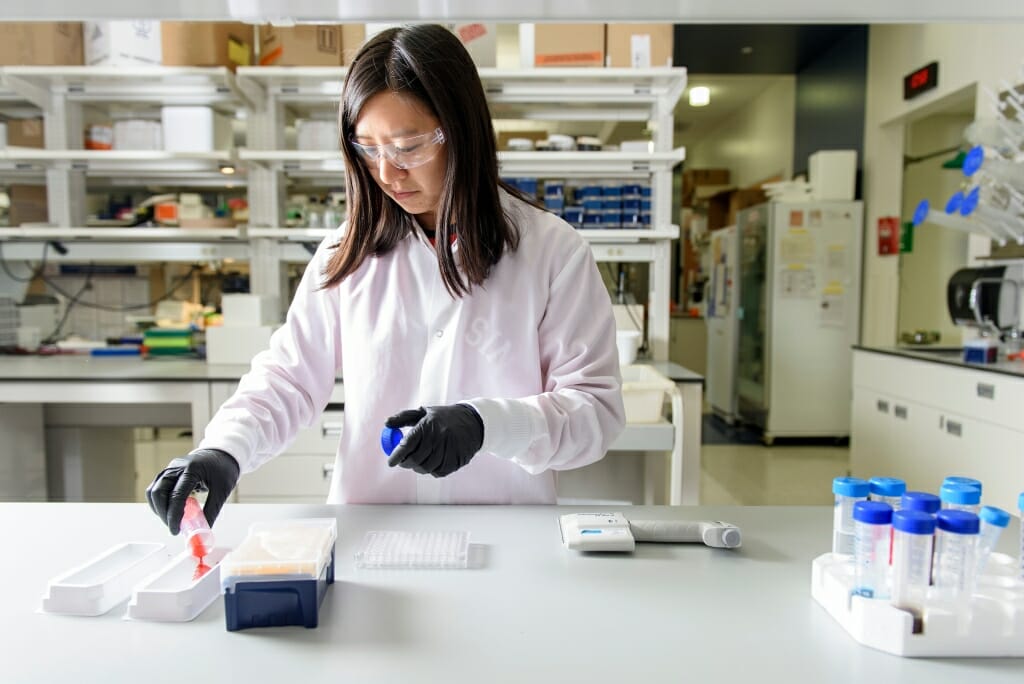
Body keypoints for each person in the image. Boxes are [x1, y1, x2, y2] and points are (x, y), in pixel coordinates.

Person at [146, 24, 625, 535]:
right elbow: (287, 379)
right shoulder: (345, 253)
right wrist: (224, 449)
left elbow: (593, 411)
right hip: (372, 538)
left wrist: (489, 424)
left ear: (461, 131)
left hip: (508, 539)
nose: (388, 173)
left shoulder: (552, 251)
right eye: (369, 149)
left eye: (409, 146)